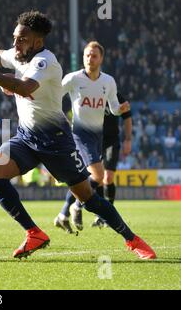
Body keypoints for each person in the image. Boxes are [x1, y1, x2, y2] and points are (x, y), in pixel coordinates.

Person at [0, 10, 156, 260]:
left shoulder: (46, 61)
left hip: (56, 139)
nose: (16, 43)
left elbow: (24, 87)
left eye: (22, 39)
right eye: (15, 37)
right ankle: (33, 233)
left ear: (37, 42)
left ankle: (132, 239)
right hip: (27, 137)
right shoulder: (18, 53)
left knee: (88, 198)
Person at [53, 41, 131, 232]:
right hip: (80, 134)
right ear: (83, 57)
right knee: (99, 175)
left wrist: (120, 109)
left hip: (99, 137)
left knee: (82, 178)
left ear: (101, 59)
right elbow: (54, 96)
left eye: (94, 55)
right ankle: (77, 206)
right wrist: (59, 119)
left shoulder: (108, 82)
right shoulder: (73, 78)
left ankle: (65, 212)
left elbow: (112, 107)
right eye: (87, 55)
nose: (90, 58)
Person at [90, 91, 132, 228]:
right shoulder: (90, 94)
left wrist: (128, 139)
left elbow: (127, 117)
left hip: (111, 142)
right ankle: (101, 215)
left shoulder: (116, 96)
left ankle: (110, 214)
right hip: (95, 141)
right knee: (98, 178)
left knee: (108, 177)